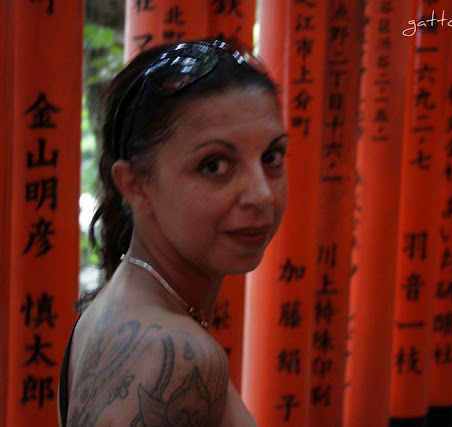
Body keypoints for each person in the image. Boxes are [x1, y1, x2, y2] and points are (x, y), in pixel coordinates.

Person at [58, 37, 288, 426]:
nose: (262, 194)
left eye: (271, 157)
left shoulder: (125, 306)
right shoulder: (173, 353)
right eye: (214, 165)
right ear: (135, 185)